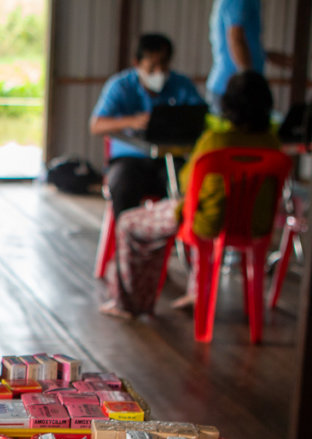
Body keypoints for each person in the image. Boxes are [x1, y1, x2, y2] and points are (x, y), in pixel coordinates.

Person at [102, 71, 281, 318]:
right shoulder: (273, 144)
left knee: (128, 223)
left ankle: (128, 304)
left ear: (227, 103)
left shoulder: (215, 141)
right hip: (255, 224)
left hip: (206, 223)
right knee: (208, 208)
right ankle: (197, 291)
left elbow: (187, 182)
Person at [90, 33, 205, 217]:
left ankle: (176, 240)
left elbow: (202, 116)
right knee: (123, 183)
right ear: (137, 63)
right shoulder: (120, 86)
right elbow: (96, 125)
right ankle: (127, 238)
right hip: (129, 161)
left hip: (168, 160)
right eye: (152, 66)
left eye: (164, 65)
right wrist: (131, 121)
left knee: (191, 183)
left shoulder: (181, 85)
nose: (159, 72)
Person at [207, 0, 292, 109]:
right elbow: (235, 39)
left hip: (239, 86)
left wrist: (267, 56)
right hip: (235, 91)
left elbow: (247, 45)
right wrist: (249, 82)